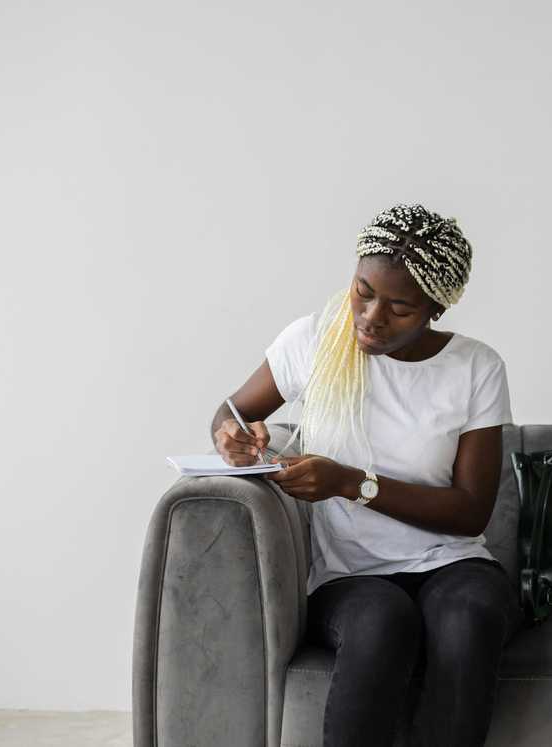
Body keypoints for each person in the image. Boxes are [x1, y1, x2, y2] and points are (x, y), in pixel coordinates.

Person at [210, 203, 521, 747]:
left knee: (467, 617)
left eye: (400, 306)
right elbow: (232, 413)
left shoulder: (476, 367)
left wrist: (351, 483)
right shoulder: (312, 341)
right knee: (382, 624)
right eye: (363, 291)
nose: (372, 316)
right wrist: (232, 437)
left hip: (452, 562)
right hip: (350, 575)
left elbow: (470, 510)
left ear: (434, 309)